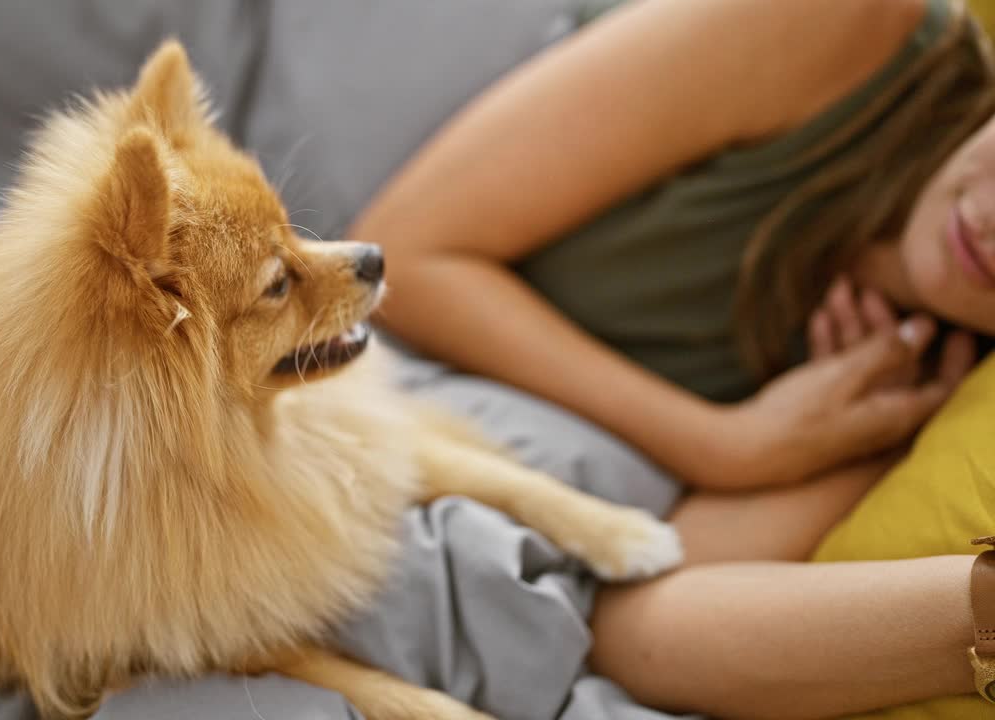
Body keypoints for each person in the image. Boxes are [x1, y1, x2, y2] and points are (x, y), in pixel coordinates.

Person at [348, 0, 995, 716]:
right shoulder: (847, 23)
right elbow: (404, 254)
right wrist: (726, 445)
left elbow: (640, 623)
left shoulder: (923, 373)